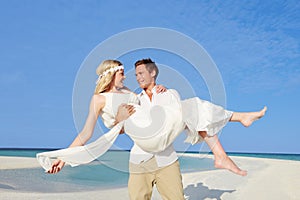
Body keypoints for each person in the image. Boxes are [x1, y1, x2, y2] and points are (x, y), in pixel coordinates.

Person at [37, 59, 266, 179]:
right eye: (121, 72)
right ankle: (240, 121)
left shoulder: (131, 93)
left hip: (153, 130)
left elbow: (149, 106)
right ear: (110, 75)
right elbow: (87, 133)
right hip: (142, 135)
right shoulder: (99, 98)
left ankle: (221, 155)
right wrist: (63, 158)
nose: (125, 75)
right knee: (191, 107)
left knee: (192, 107)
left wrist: (157, 88)